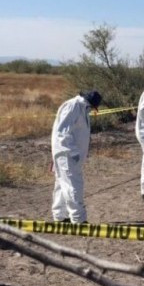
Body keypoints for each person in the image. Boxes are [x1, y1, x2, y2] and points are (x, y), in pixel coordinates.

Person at [50, 90, 102, 224]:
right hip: (67, 154)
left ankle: (60, 216)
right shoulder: (73, 106)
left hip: (70, 155)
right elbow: (62, 132)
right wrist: (73, 153)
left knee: (62, 185)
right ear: (89, 103)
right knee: (73, 186)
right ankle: (79, 219)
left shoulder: (82, 107)